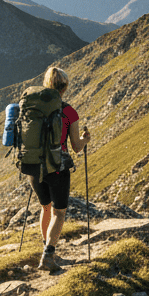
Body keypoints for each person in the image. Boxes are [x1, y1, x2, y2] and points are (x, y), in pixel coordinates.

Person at [27, 65, 91, 272]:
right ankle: (49, 255)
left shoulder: (32, 109)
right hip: (57, 167)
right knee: (59, 212)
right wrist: (85, 139)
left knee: (45, 208)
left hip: (34, 167)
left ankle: (46, 248)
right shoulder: (69, 111)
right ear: (64, 88)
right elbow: (76, 147)